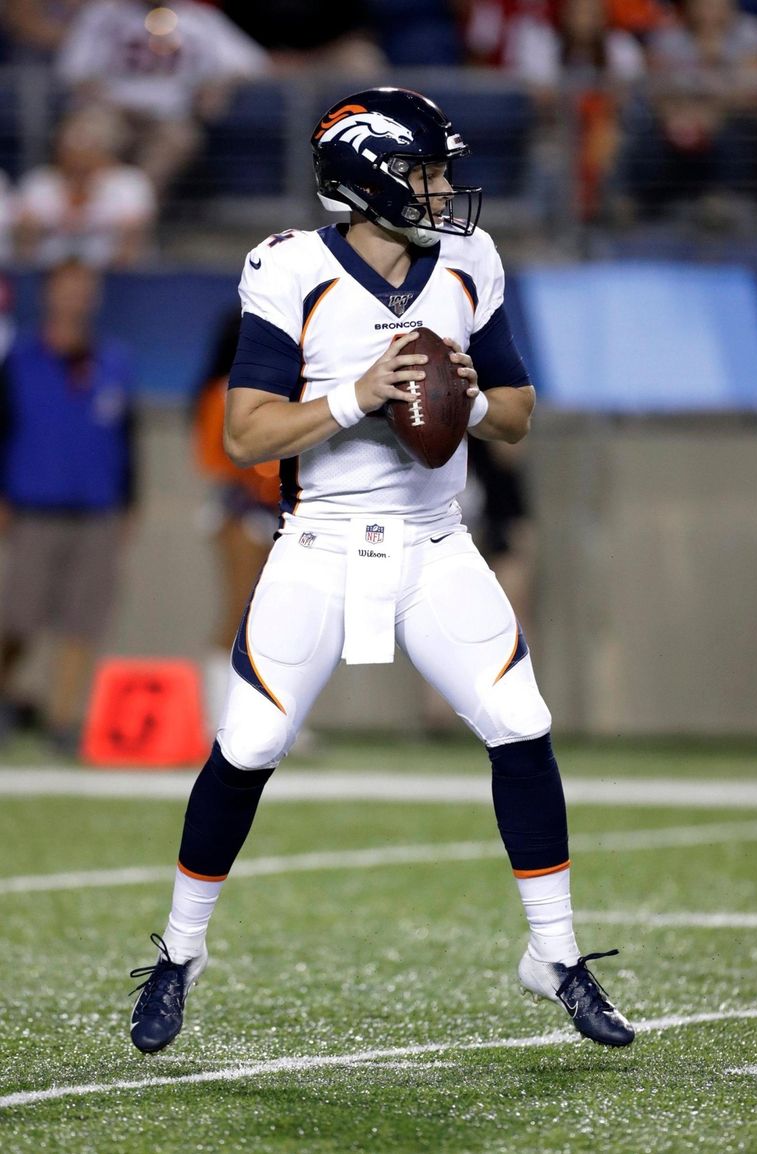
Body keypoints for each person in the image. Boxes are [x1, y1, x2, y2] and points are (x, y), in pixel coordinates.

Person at [128, 87, 634, 1054]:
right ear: (366, 180)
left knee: (522, 724)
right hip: (319, 542)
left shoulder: (472, 261)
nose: (443, 188)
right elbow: (243, 433)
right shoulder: (286, 269)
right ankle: (181, 954)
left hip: (435, 540)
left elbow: (521, 414)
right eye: (425, 170)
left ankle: (555, 956)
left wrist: (468, 403)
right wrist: (361, 395)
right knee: (248, 744)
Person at [0, 258, 136, 755]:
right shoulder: (19, 359)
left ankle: (62, 719)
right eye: (67, 288)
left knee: (84, 621)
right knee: (18, 618)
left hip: (97, 509)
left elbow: (127, 439)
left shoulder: (114, 360)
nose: (76, 298)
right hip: (34, 505)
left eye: (85, 289)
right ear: (50, 293)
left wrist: (128, 505)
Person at [55, 0, 270, 199]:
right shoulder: (103, 14)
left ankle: (134, 216)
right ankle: (86, 218)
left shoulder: (197, 17)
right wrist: (100, 96)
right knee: (83, 138)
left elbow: (252, 63)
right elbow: (73, 69)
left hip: (171, 116)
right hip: (111, 109)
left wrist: (217, 86)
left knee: (176, 141)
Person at [191, 306, 281, 734]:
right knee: (239, 612)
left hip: (278, 510)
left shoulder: (282, 387)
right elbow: (220, 461)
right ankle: (217, 715)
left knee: (277, 616)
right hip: (240, 510)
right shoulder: (220, 392)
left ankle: (272, 714)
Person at [14, 103, 157, 268]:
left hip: (113, 273)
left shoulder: (129, 182)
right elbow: (24, 234)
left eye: (89, 145)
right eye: (72, 144)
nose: (79, 155)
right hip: (49, 272)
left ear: (106, 150)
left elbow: (134, 231)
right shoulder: (40, 182)